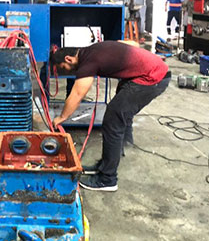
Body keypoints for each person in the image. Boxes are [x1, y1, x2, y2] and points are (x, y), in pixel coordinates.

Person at [51, 41, 171, 192]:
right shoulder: (92, 49)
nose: (66, 71)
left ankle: (107, 179)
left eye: (64, 68)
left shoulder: (88, 62)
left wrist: (62, 117)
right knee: (118, 112)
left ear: (68, 59)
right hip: (148, 72)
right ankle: (107, 163)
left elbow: (78, 94)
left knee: (113, 121)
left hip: (152, 77)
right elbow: (132, 43)